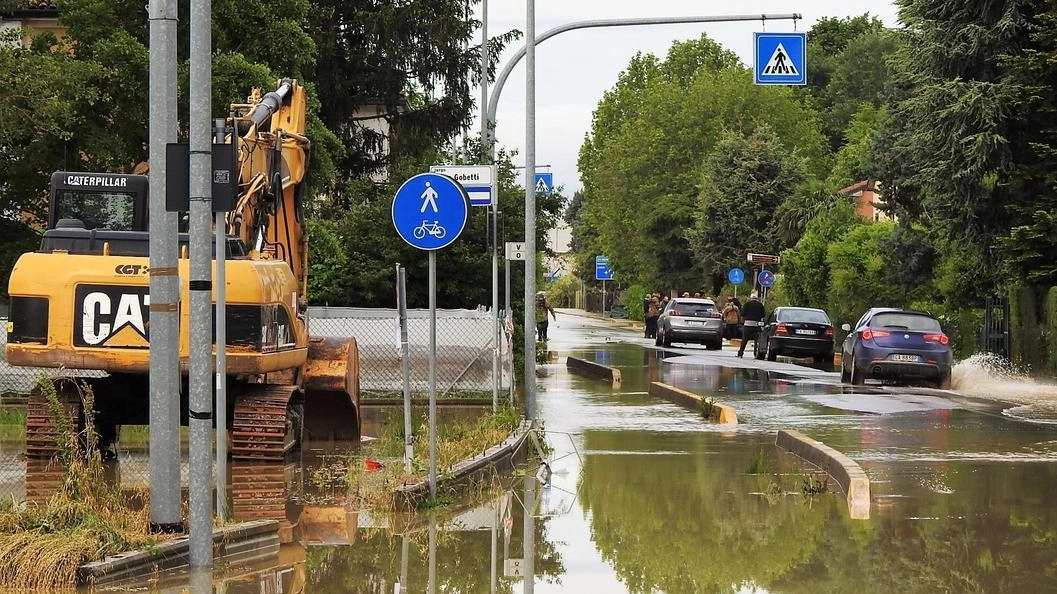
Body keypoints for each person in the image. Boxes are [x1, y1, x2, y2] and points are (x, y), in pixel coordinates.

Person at [736, 291, 766, 358]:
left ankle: (740, 353)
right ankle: (756, 354)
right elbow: (763, 314)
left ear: (751, 298)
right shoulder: (760, 305)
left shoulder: (747, 304)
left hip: (748, 325)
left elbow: (742, 313)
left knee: (744, 340)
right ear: (757, 298)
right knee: (756, 340)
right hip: (756, 325)